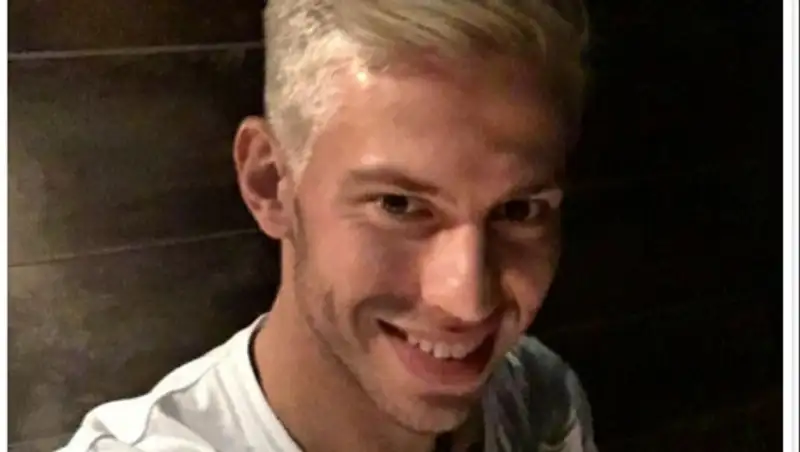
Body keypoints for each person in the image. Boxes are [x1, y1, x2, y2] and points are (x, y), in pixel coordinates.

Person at [61, 0, 595, 450]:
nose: (467, 302)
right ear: (271, 183)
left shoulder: (539, 399)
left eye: (519, 211)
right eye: (398, 205)